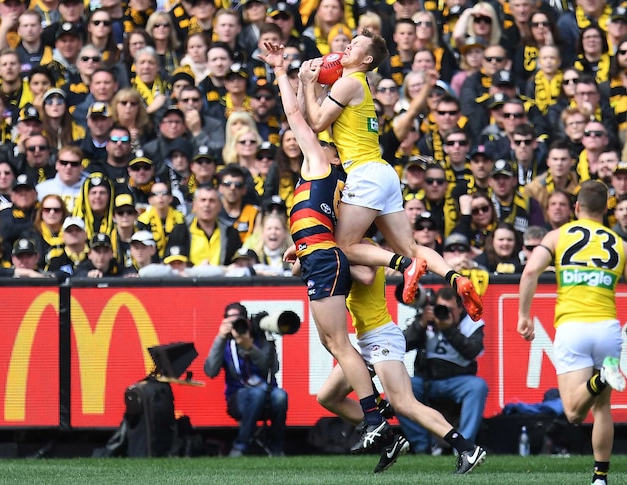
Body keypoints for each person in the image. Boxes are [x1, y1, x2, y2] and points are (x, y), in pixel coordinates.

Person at [261, 42, 392, 453]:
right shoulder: (330, 173)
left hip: (322, 260)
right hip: (318, 255)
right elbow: (318, 223)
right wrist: (298, 247)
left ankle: (376, 417)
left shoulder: (321, 162)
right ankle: (379, 419)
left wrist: (287, 74)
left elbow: (297, 116)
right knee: (332, 342)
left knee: (337, 343)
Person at [299, 32, 483, 321]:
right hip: (383, 172)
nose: (348, 45)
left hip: (364, 172)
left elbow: (318, 122)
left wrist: (309, 84)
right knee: (410, 244)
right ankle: (456, 278)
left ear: (368, 59)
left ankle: (404, 265)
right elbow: (314, 117)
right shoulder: (354, 84)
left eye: (356, 44)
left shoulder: (349, 82)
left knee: (343, 245)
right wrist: (313, 86)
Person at [518, 180, 627, 485]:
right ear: (607, 210)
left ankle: (601, 378)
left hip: (572, 326)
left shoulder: (557, 235)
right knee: (603, 407)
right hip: (608, 329)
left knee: (574, 414)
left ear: (576, 208)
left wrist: (524, 315)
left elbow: (530, 272)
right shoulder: (621, 244)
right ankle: (600, 478)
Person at [314, 240, 487, 474]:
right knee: (328, 397)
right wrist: (307, 248)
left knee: (404, 403)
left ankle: (467, 448)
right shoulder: (341, 249)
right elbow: (299, 267)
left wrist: (329, 260)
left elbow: (365, 276)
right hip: (366, 340)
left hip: (381, 336)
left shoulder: (363, 245)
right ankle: (387, 438)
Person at [397, 284, 490, 466]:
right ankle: (423, 446)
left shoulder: (471, 323)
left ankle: (463, 446)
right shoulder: (427, 319)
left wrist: (449, 329)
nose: (444, 313)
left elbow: (472, 350)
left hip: (458, 382)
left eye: (449, 310)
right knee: (398, 388)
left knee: (478, 387)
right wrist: (420, 324)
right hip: (427, 381)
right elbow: (402, 345)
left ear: (459, 307)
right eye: (441, 309)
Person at [203, 302, 287, 458]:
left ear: (247, 321)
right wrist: (221, 336)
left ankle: (277, 448)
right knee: (256, 394)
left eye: (239, 320)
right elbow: (210, 371)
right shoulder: (226, 343)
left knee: (281, 396)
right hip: (238, 398)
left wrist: (250, 347)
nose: (236, 325)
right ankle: (240, 446)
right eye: (231, 321)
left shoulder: (261, 338)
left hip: (268, 393)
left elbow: (272, 369)